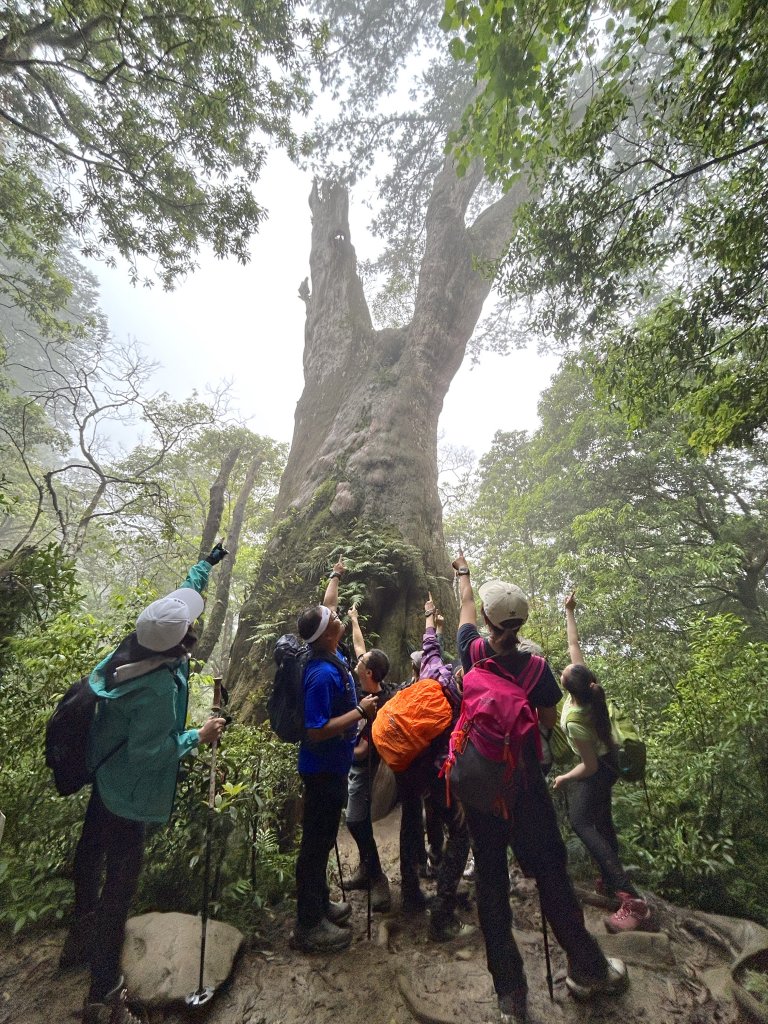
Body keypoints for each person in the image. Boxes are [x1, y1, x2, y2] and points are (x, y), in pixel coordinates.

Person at [452, 552, 628, 1024]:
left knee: (491, 887)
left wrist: (463, 574)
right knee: (551, 876)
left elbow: (465, 608)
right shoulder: (537, 670)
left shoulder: (471, 651)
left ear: (488, 620)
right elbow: (547, 724)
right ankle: (587, 969)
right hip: (526, 788)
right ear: (523, 620)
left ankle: (511, 996)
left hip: (484, 792)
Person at [59, 545, 229, 1024]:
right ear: (178, 645)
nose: (193, 628)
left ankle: (78, 936)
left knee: (88, 855)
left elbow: (182, 598)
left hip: (105, 777)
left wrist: (206, 566)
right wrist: (200, 734)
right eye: (189, 631)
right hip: (128, 795)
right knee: (120, 885)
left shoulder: (142, 641)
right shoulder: (152, 688)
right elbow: (152, 752)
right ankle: (102, 991)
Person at [290, 557, 378, 954]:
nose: (337, 616)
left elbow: (327, 607)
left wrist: (336, 575)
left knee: (323, 840)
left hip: (332, 768)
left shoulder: (331, 650)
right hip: (322, 770)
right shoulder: (322, 674)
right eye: (333, 619)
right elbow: (315, 727)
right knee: (314, 845)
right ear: (327, 634)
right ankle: (308, 926)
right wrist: (360, 713)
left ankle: (322, 905)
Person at [553, 594, 651, 933]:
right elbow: (574, 645)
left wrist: (564, 777)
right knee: (602, 819)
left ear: (569, 689)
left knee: (581, 822)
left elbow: (589, 767)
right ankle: (611, 882)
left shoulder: (575, 718)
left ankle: (633, 901)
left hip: (600, 769)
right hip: (610, 763)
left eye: (562, 672)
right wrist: (569, 611)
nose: (564, 666)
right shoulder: (588, 692)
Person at [395, 594, 473, 942]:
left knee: (438, 824)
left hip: (422, 770)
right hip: (445, 777)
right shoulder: (467, 701)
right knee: (460, 834)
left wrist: (430, 617)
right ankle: (442, 913)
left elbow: (430, 647)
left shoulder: (433, 674)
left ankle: (437, 873)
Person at [343, 604, 394, 911]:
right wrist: (354, 620)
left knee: (356, 821)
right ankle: (366, 870)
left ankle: (377, 878)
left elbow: (362, 750)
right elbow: (361, 648)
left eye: (360, 665)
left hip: (367, 769)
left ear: (369, 674)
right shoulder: (367, 681)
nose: (356, 663)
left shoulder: (379, 704)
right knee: (355, 821)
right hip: (355, 764)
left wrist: (334, 742)